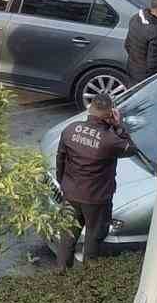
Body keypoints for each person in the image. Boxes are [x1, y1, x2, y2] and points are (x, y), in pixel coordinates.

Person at [55, 96, 136, 269]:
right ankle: (88, 278)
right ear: (110, 113)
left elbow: (60, 159)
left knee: (67, 238)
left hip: (70, 194)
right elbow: (131, 149)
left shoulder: (70, 130)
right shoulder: (110, 140)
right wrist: (118, 125)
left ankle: (60, 276)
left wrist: (64, 184)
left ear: (90, 108)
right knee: (93, 239)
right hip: (96, 199)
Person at [124, 0, 157, 84]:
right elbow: (154, 65)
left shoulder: (136, 18)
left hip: (131, 71)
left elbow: (127, 45)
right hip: (144, 80)